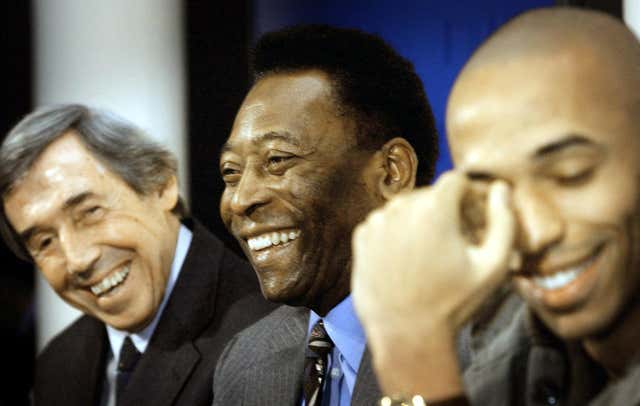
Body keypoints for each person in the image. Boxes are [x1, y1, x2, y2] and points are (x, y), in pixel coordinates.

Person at [351, 7, 640, 406]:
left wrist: (412, 350)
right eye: (492, 196)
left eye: (571, 175)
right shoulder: (509, 362)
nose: (533, 234)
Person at [213, 24, 438, 405]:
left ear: (391, 172)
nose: (240, 200)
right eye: (231, 172)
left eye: (278, 160)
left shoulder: (496, 349)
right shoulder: (246, 362)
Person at [0, 104, 276, 406]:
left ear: (160, 185)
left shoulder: (269, 335)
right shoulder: (58, 362)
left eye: (90, 212)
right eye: (44, 241)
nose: (77, 259)